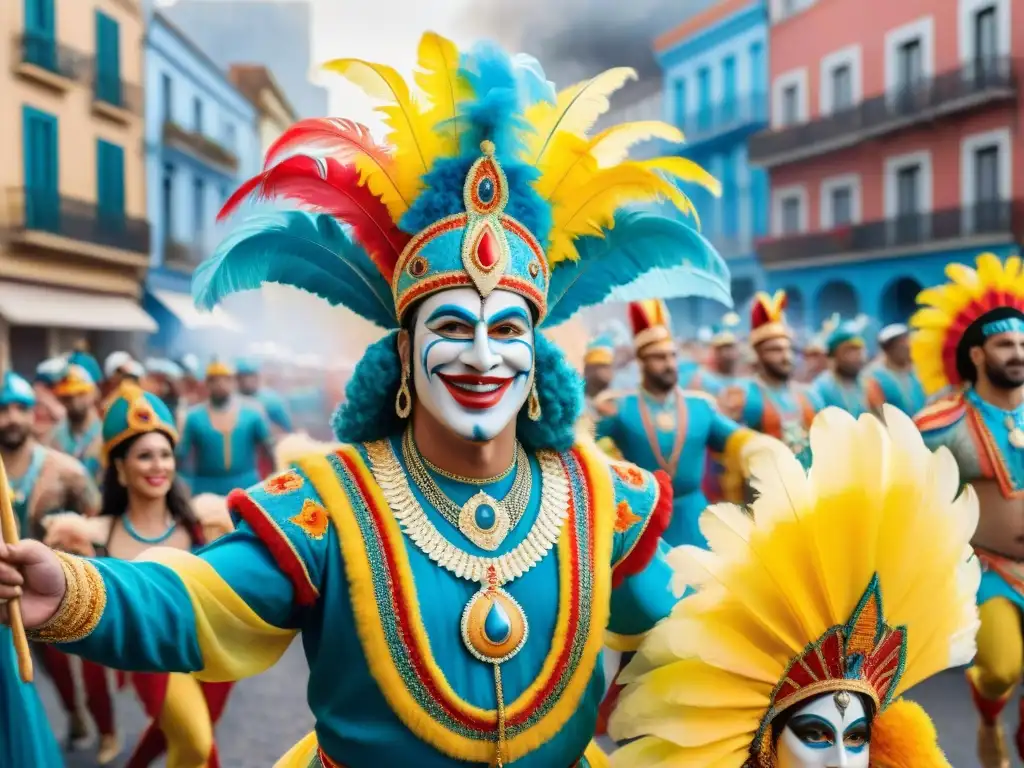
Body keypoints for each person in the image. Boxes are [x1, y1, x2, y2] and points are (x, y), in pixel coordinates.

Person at [0, 32, 732, 767]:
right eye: (451, 326)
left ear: (537, 358)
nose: (483, 355)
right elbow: (197, 604)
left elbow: (687, 638)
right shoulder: (330, 505)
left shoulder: (598, 501)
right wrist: (65, 588)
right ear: (403, 359)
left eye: (507, 328)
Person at [608, 405, 980, 767]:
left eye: (856, 738)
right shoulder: (633, 411)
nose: (841, 764)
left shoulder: (699, 410)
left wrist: (750, 445)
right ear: (766, 742)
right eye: (815, 734)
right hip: (670, 531)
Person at [44, 387, 235, 767]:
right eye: (144, 456)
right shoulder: (91, 534)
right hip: (151, 657)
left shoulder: (204, 524)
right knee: (197, 744)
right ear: (120, 467)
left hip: (209, 653)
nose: (158, 466)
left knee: (188, 741)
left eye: (165, 455)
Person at [910, 252, 1024, 768]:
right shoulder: (944, 421)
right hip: (989, 566)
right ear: (977, 354)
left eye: (1023, 343)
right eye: (1005, 344)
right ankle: (987, 713)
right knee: (1002, 669)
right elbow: (897, 469)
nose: (1019, 352)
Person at [596, 299, 783, 547]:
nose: (669, 364)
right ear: (641, 361)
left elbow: (737, 439)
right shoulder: (619, 408)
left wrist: (765, 449)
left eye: (672, 356)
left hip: (697, 520)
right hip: (641, 524)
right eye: (658, 357)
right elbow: (583, 446)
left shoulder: (700, 407)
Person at [0, 370, 103, 751]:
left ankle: (77, 715)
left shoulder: (66, 471)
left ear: (34, 414)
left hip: (50, 592)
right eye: (3, 409)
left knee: (59, 666)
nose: (11, 418)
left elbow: (95, 523)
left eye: (20, 408)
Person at [721, 291, 819, 468]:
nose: (785, 356)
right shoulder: (741, 396)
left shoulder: (810, 395)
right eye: (775, 350)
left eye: (788, 349)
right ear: (756, 354)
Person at [176, 360, 275, 495]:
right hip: (206, 488)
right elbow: (181, 455)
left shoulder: (252, 412)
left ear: (233, 382)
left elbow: (269, 447)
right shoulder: (194, 416)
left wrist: (273, 478)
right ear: (207, 384)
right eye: (214, 380)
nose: (220, 384)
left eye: (226, 379)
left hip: (247, 485)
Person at [811, 315, 883, 416]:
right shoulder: (821, 389)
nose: (858, 355)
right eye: (850, 350)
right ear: (834, 355)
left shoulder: (868, 385)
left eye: (860, 350)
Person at [49, 363, 104, 484]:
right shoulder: (55, 437)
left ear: (94, 393)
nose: (74, 401)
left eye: (80, 394)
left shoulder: (105, 434)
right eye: (67, 397)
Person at [866, 323, 927, 416]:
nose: (907, 348)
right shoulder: (876, 377)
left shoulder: (916, 370)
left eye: (907, 342)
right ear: (888, 349)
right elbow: (878, 413)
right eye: (901, 345)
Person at [236, 358, 294, 434]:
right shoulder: (230, 401)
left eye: (251, 376)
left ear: (257, 377)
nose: (247, 381)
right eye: (243, 377)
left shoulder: (272, 401)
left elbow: (286, 429)